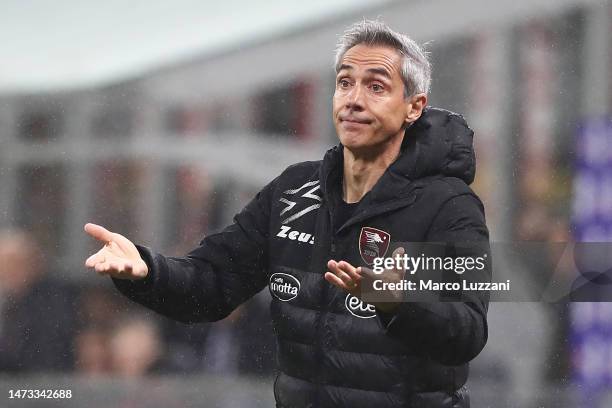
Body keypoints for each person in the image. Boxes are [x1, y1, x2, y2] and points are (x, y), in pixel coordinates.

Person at [85, 20, 491, 408]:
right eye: (345, 82)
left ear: (413, 107)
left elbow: (467, 334)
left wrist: (396, 302)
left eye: (376, 87)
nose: (353, 99)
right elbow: (210, 287)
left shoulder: (448, 207)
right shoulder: (293, 191)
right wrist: (148, 270)